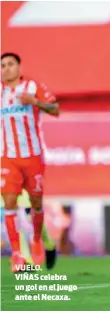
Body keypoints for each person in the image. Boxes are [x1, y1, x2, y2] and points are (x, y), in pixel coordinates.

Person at [1, 52, 60, 272]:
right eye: (2, 66)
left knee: (35, 205)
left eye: (9, 64)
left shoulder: (33, 87)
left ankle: (37, 239)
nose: (5, 69)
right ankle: (16, 255)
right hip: (8, 158)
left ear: (19, 67)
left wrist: (34, 102)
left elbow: (56, 110)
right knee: (9, 204)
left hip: (33, 156)